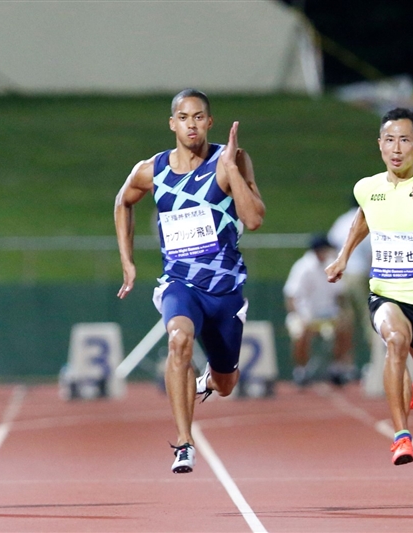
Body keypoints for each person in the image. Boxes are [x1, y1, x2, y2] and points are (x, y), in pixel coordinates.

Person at [114, 89, 265, 473]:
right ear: (172, 123)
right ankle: (184, 442)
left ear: (209, 122)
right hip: (180, 283)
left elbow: (254, 219)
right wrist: (128, 262)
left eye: (199, 117)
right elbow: (122, 201)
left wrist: (231, 170)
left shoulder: (232, 159)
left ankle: (208, 382)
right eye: (184, 117)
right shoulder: (152, 169)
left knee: (227, 383)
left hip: (225, 289)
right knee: (178, 339)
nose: (191, 124)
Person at [325, 108, 413, 466]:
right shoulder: (367, 187)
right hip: (386, 293)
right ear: (379, 145)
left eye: (404, 140)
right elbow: (364, 216)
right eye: (389, 140)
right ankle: (401, 435)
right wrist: (343, 257)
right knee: (395, 340)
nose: (396, 148)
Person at [328, 199, 387, 395]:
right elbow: (373, 253)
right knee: (368, 319)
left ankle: (345, 365)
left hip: (342, 274)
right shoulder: (370, 219)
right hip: (362, 274)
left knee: (345, 321)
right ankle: (376, 364)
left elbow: (333, 248)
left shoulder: (341, 221)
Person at [283, 234, 355, 387]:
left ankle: (337, 368)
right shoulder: (302, 267)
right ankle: (301, 370)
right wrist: (297, 315)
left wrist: (343, 312)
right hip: (306, 314)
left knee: (345, 328)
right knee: (300, 332)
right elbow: (291, 295)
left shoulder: (331, 264)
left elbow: (339, 294)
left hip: (328, 313)